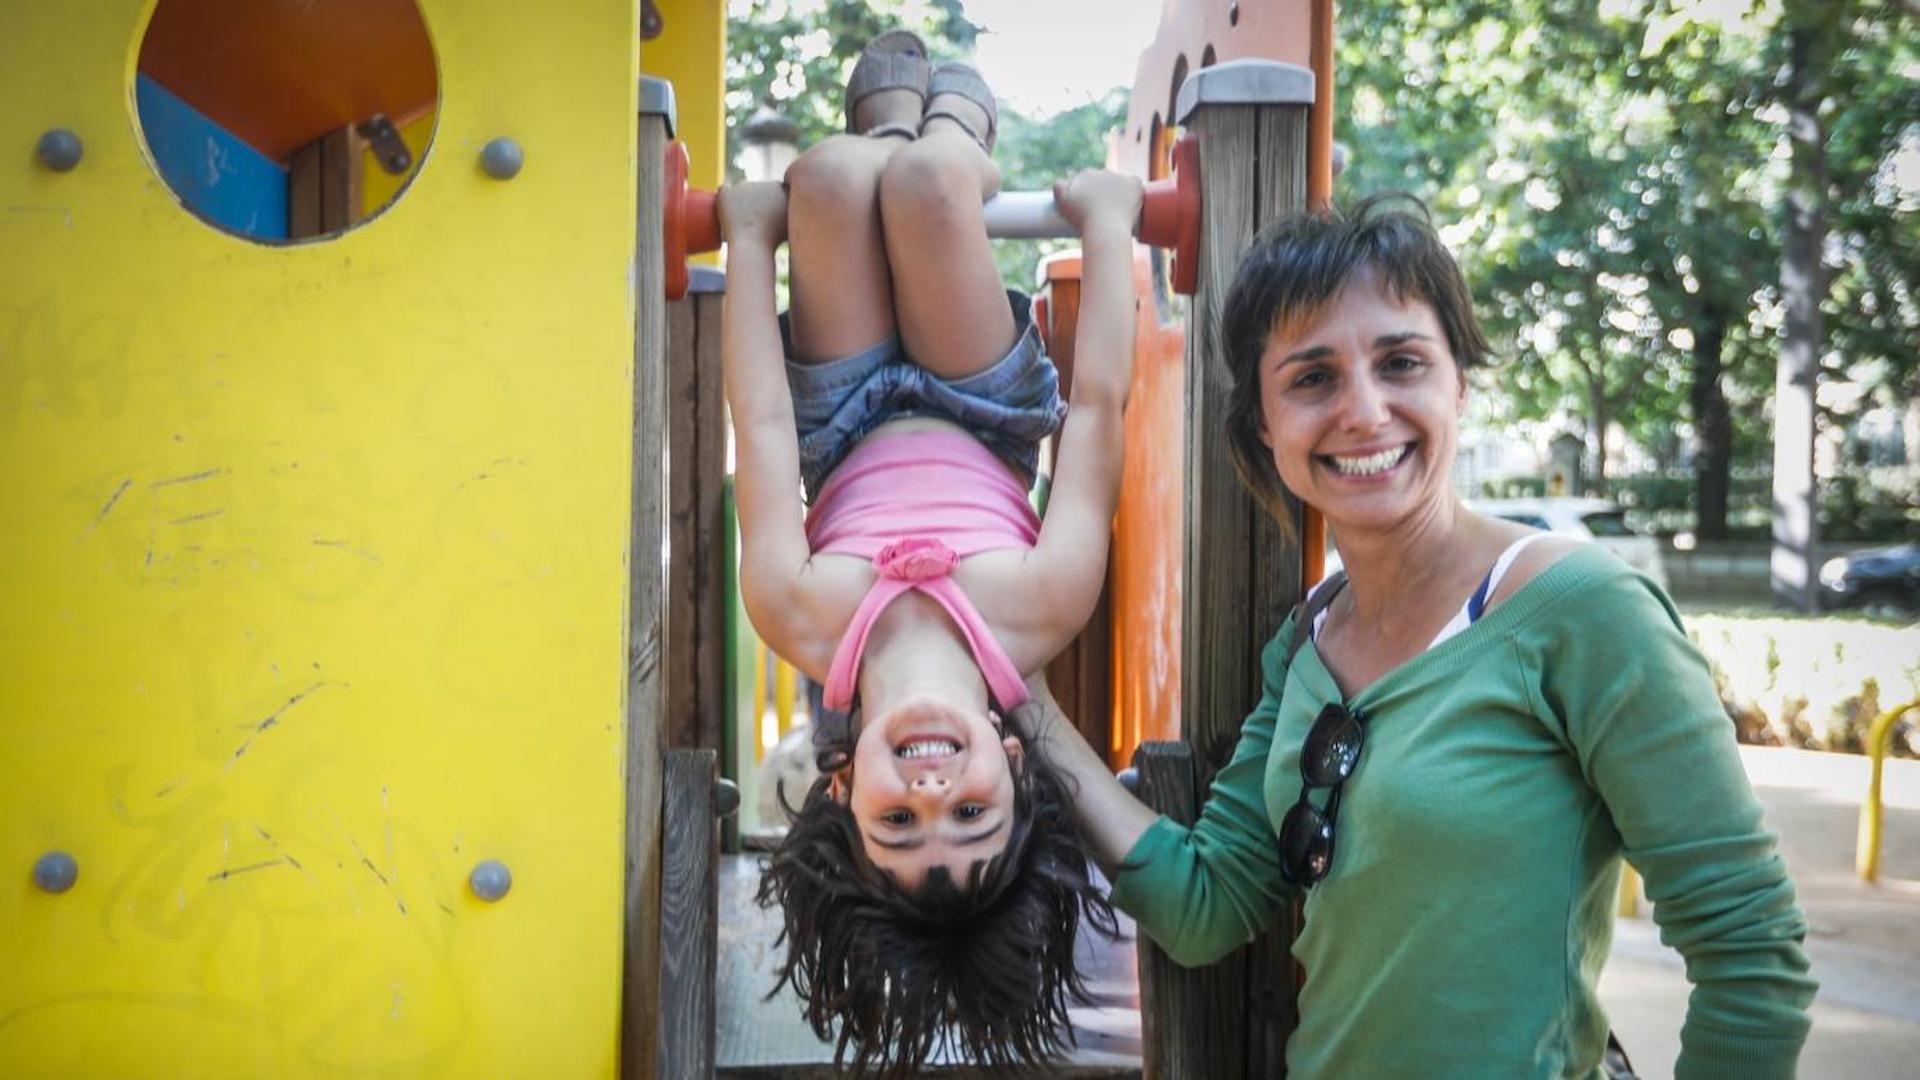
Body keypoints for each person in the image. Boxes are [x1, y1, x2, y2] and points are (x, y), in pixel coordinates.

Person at [1014, 195, 1819, 1078]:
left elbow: (1750, 953)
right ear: (1264, 427)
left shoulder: (1580, 610)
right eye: (1312, 378)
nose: (1364, 411)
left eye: (1401, 362)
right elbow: (1208, 904)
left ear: (1458, 384)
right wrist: (1028, 701)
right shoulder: (1308, 647)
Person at [715, 30, 1142, 1076]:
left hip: (839, 417)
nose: (931, 786)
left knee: (821, 180)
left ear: (840, 789)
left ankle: (884, 124)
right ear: (1014, 765)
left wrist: (747, 248)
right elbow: (1096, 411)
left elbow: (763, 426)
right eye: (970, 813)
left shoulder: (799, 611)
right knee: (933, 188)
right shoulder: (1040, 604)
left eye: (900, 821)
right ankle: (956, 124)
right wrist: (1113, 228)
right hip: (979, 400)